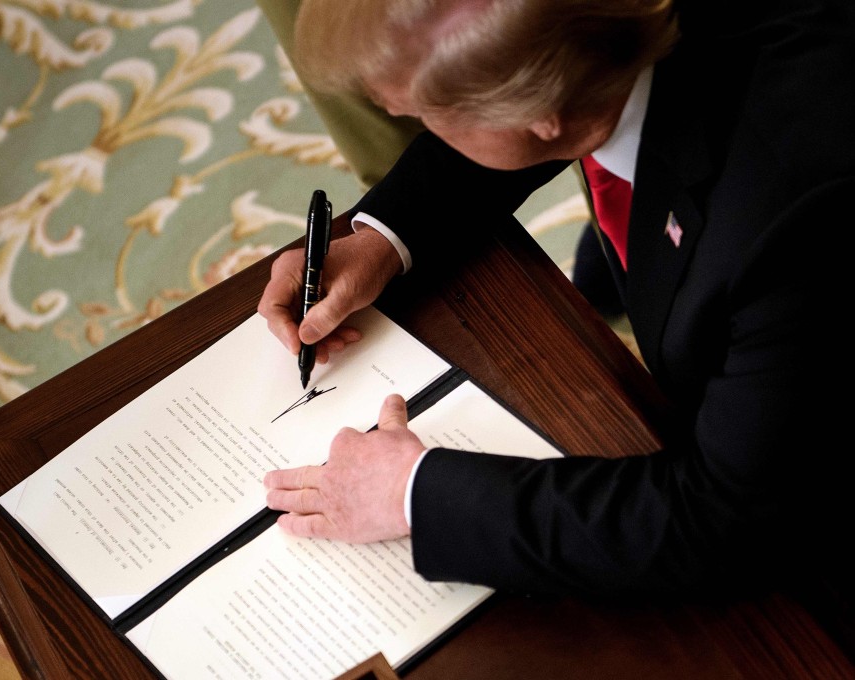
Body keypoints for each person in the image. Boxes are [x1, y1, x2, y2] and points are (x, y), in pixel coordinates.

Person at [258, 0, 853, 649]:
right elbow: (519, 102)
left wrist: (412, 492)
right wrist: (380, 239)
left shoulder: (794, 225)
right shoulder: (593, 50)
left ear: (536, 111)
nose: (424, 128)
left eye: (430, 116)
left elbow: (724, 524)